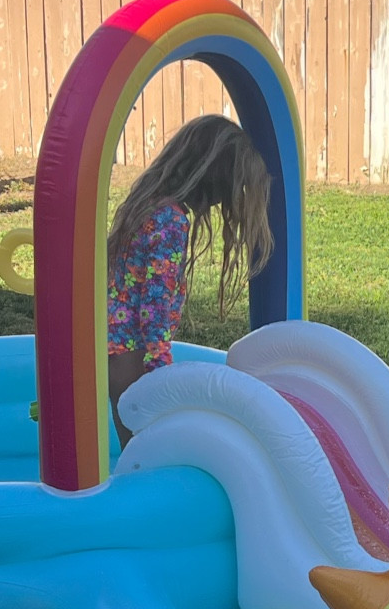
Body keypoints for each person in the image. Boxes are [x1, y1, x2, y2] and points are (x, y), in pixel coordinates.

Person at [105, 114, 274, 448]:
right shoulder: (171, 220)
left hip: (116, 346)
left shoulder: (149, 205)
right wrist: (159, 366)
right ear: (214, 179)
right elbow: (154, 301)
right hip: (134, 354)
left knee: (135, 444)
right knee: (145, 450)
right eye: (235, 187)